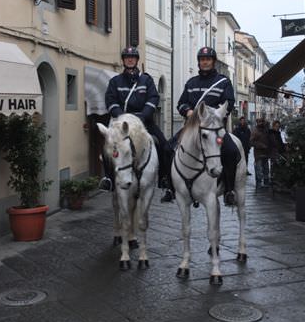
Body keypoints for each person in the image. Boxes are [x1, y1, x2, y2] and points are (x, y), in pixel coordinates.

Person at [99, 46, 172, 201]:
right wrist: (122, 116)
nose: (130, 60)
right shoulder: (115, 81)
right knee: (107, 146)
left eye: (132, 57)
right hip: (122, 123)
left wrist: (143, 115)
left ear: (137, 60)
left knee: (164, 146)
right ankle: (109, 179)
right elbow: (110, 101)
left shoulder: (146, 80)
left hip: (144, 122)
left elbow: (153, 98)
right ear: (124, 61)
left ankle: (164, 179)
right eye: (127, 57)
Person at [176, 46, 240, 206]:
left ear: (213, 62)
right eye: (202, 60)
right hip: (191, 129)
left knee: (231, 151)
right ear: (199, 62)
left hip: (214, 130)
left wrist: (213, 114)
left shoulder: (223, 82)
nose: (205, 62)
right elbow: (181, 103)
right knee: (167, 148)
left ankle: (229, 190)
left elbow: (229, 103)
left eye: (208, 59)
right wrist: (188, 111)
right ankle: (170, 186)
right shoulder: (191, 83)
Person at [250, 117, 271, 189]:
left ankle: (266, 182)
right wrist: (260, 145)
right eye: (259, 122)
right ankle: (259, 183)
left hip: (266, 153)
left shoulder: (265, 130)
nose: (261, 123)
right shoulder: (255, 131)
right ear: (257, 123)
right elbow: (251, 142)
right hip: (258, 153)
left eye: (262, 122)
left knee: (266, 169)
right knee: (259, 169)